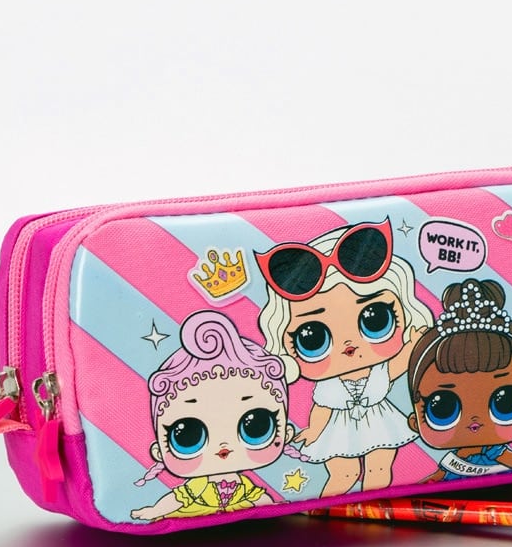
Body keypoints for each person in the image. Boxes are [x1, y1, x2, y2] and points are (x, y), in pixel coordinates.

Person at [256, 219, 432, 497]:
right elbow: (321, 408)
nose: (349, 346)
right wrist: (314, 431)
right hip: (338, 431)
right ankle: (322, 504)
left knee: (379, 468)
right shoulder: (330, 385)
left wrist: (416, 341)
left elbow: (402, 362)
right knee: (344, 473)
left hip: (380, 424)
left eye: (376, 320)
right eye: (313, 338)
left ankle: (376, 505)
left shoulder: (379, 372)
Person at [131, 310, 295, 520]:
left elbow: (257, 497)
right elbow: (178, 499)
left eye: (256, 428)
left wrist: (275, 505)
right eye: (188, 437)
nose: (224, 446)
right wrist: (154, 511)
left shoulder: (241, 485)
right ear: (159, 451)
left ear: (286, 433)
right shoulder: (198, 486)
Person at [407, 278, 512, 480]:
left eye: (507, 403)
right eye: (442, 408)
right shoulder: (455, 459)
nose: (474, 421)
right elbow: (440, 473)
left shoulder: (493, 451)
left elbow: (510, 458)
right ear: (415, 422)